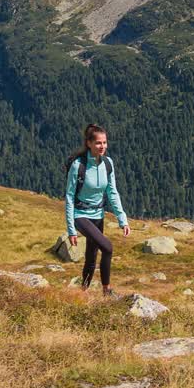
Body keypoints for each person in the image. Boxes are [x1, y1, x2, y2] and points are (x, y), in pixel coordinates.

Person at [65, 124, 130, 296]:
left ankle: (83, 291)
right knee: (107, 247)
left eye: (105, 142)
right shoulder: (78, 166)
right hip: (80, 215)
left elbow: (112, 192)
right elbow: (70, 197)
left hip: (98, 214)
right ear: (89, 143)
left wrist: (122, 219)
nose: (102, 147)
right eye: (98, 143)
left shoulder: (108, 163)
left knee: (91, 257)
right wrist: (71, 229)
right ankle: (106, 291)